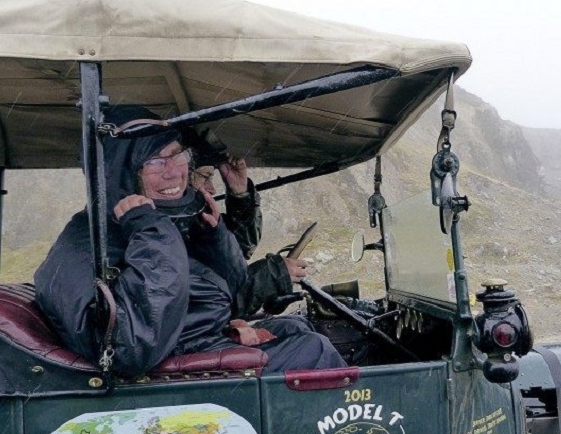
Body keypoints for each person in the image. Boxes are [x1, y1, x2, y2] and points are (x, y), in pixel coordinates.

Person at [34, 105, 344, 376]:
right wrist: (153, 230)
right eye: (155, 161)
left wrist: (214, 238)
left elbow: (211, 291)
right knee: (313, 350)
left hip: (193, 340)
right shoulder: (93, 241)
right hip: (175, 365)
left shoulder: (138, 221)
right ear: (123, 172)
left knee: (296, 327)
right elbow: (132, 347)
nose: (174, 172)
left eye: (177, 156)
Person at [187, 134, 309, 316]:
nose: (212, 189)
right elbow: (205, 310)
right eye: (205, 177)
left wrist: (240, 195)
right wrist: (271, 276)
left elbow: (241, 249)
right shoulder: (165, 233)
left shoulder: (194, 223)